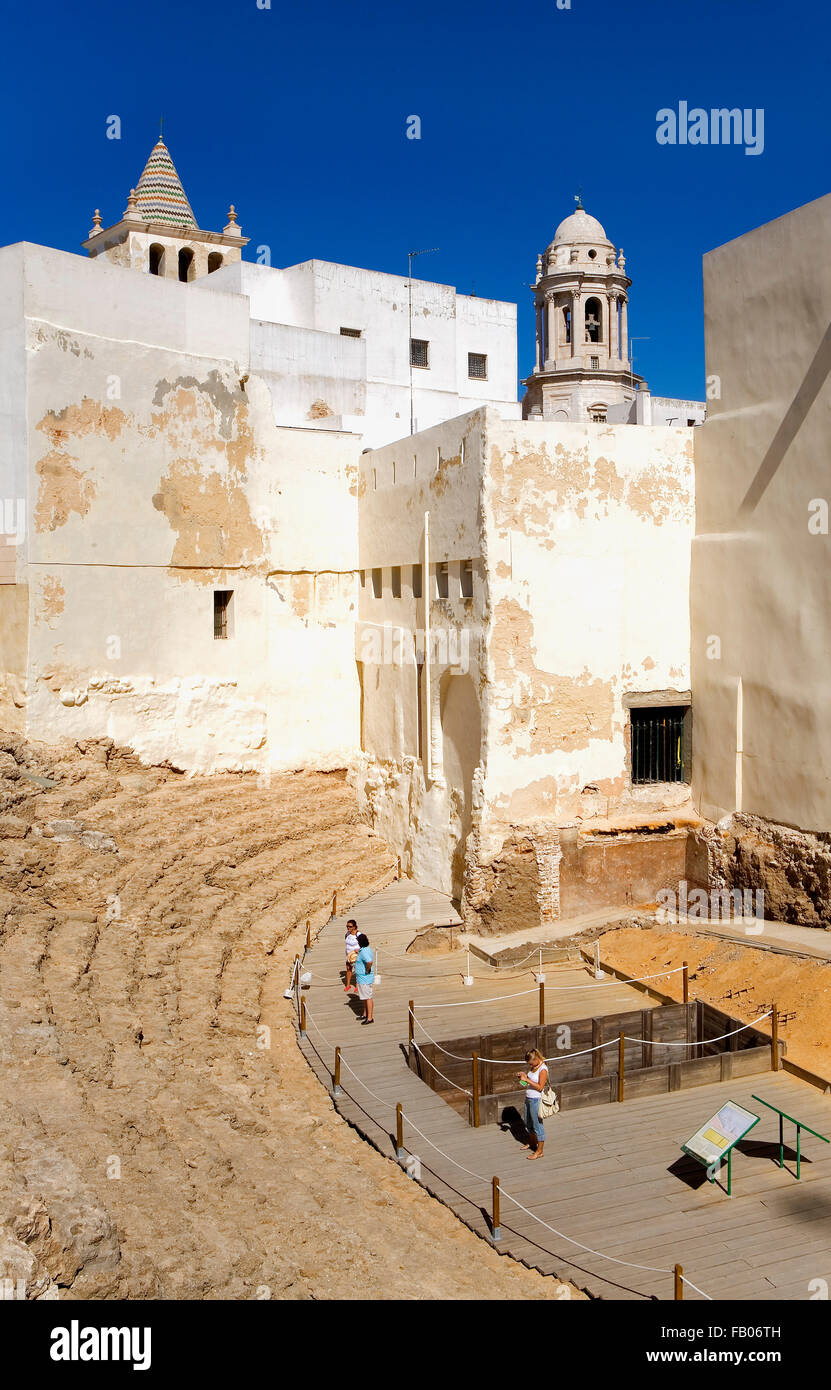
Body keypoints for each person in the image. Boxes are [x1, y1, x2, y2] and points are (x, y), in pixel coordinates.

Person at [517, 1049, 548, 1160]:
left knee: (537, 1125)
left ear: (536, 1059)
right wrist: (522, 1078)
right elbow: (527, 1084)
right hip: (528, 1098)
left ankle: (539, 1151)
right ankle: (532, 1143)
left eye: (530, 1062)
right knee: (528, 1123)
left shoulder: (543, 1069)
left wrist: (527, 1079)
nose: (529, 1064)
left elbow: (540, 1087)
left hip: (536, 1100)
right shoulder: (533, 1067)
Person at [354, 932, 375, 1024]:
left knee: (368, 997)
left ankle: (370, 1018)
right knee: (365, 997)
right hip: (363, 978)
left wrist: (367, 969)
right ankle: (365, 1014)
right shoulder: (366, 949)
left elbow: (369, 962)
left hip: (365, 978)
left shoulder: (364, 952)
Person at [344, 919, 359, 993]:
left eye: (350, 926)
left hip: (356, 956)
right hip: (348, 956)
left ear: (354, 927)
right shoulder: (347, 934)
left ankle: (357, 986)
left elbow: (365, 944)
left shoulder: (358, 935)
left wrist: (359, 950)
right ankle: (348, 985)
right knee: (349, 970)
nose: (348, 928)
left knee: (357, 971)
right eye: (347, 926)